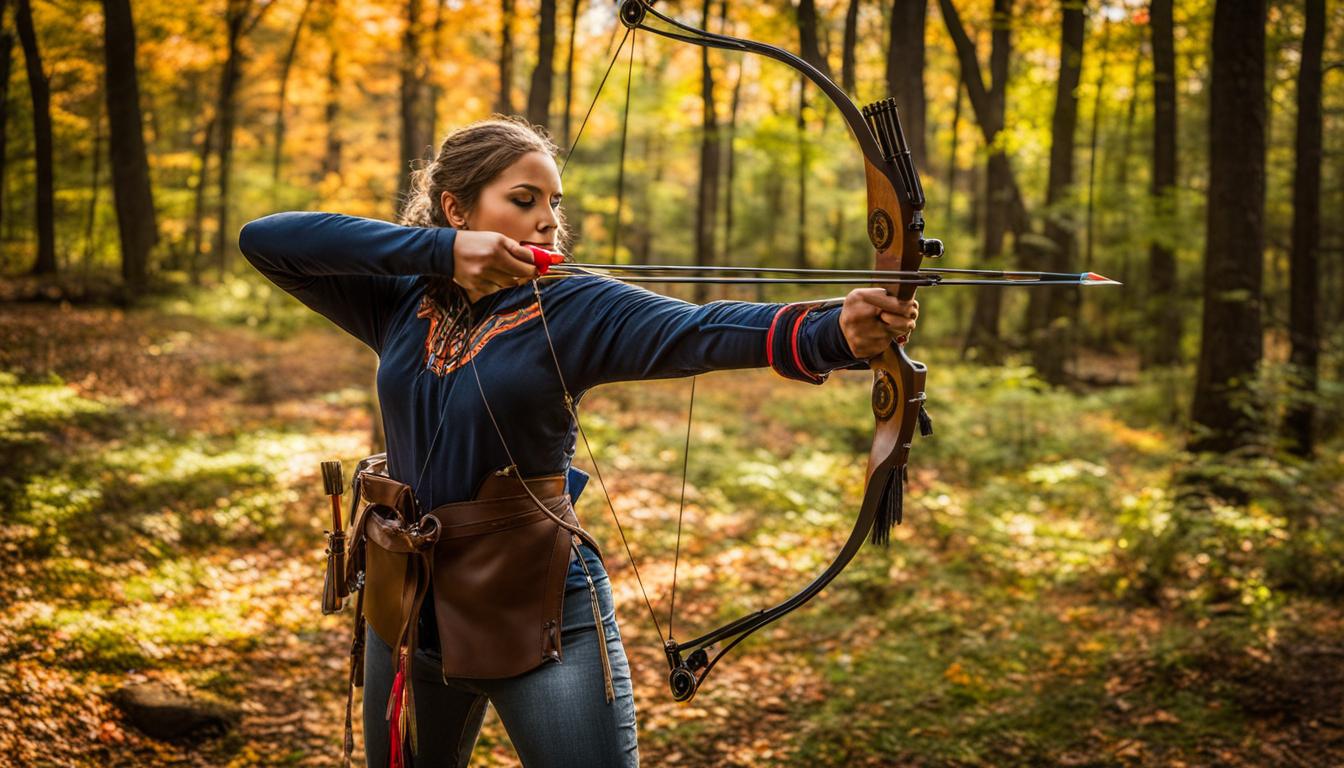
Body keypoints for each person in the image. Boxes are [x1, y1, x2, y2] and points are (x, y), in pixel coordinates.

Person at [238, 115, 918, 768]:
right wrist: (440, 255)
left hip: (535, 604)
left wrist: (836, 332)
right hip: (407, 598)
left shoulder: (571, 305)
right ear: (456, 209)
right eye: (524, 199)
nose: (547, 219)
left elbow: (697, 331)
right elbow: (266, 238)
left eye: (553, 203)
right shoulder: (401, 299)